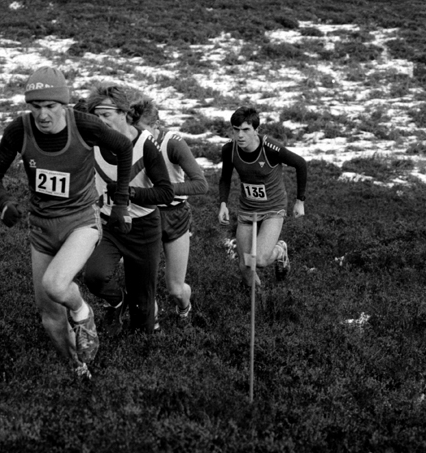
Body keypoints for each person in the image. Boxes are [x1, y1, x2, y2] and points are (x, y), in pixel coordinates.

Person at [0, 67, 133, 380]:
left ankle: (83, 313)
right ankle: (78, 368)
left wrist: (120, 203)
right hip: (42, 229)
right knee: (50, 319)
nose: (42, 115)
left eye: (50, 106)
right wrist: (3, 204)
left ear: (64, 104)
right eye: (36, 107)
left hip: (81, 221)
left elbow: (123, 147)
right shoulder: (18, 130)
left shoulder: (85, 125)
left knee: (56, 284)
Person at [82, 83, 174, 335]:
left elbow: (166, 192)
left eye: (106, 115)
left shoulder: (146, 144)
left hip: (143, 228)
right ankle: (116, 301)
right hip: (108, 225)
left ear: (124, 113)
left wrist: (129, 193)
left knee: (142, 310)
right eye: (96, 116)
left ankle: (141, 349)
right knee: (94, 276)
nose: (100, 121)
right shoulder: (92, 142)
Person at [133, 96, 208, 326]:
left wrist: (163, 190)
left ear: (156, 126)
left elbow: (201, 184)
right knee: (144, 284)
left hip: (174, 215)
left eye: (143, 130)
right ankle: (151, 326)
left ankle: (184, 309)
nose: (138, 136)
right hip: (145, 215)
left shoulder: (173, 144)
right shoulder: (128, 142)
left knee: (175, 289)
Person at [218, 106, 307, 289]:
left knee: (259, 260)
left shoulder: (271, 148)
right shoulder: (229, 150)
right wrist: (223, 204)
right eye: (236, 130)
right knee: (245, 266)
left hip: (273, 208)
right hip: (247, 209)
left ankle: (280, 250)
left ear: (256, 130)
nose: (240, 135)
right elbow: (225, 177)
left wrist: (300, 201)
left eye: (245, 130)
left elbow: (301, 164)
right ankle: (263, 303)